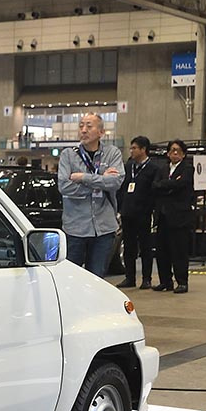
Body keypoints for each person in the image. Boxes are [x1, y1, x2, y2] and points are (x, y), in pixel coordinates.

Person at [57, 113, 124, 277]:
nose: (84, 130)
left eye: (89, 126)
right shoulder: (68, 155)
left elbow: (116, 182)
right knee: (71, 278)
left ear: (101, 132)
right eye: (81, 126)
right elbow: (64, 186)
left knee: (97, 278)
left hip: (104, 228)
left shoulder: (112, 153)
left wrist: (83, 178)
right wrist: (101, 180)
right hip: (75, 228)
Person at [151, 139, 195, 293]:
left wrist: (165, 185)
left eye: (178, 150)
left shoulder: (187, 168)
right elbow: (155, 185)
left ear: (183, 153)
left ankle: (182, 282)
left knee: (179, 251)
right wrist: (169, 185)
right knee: (162, 251)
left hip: (179, 217)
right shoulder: (163, 169)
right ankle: (165, 281)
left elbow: (181, 184)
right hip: (163, 215)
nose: (174, 153)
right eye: (172, 150)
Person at [116, 135, 157, 288]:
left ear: (143, 149)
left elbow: (154, 192)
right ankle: (130, 277)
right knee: (129, 247)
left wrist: (150, 209)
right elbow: (121, 188)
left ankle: (146, 279)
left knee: (145, 246)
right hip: (128, 212)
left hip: (143, 213)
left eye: (134, 148)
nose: (131, 151)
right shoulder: (128, 167)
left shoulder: (153, 169)